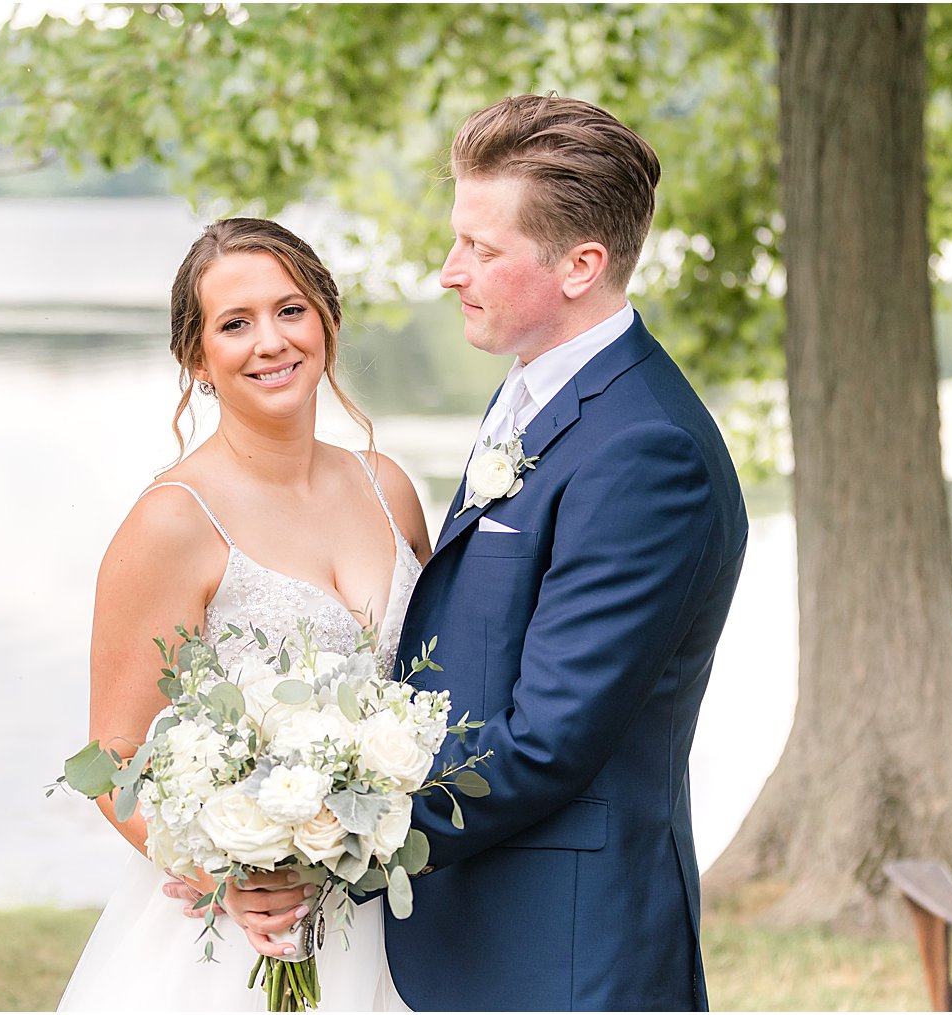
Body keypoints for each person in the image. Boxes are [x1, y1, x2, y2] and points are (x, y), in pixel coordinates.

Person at [190, 94, 748, 1010]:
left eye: (482, 249)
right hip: (477, 929)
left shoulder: (647, 450)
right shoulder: (535, 391)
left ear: (582, 265)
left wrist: (323, 842)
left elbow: (545, 742)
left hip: (566, 950)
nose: (450, 272)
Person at [57, 217, 430, 1011]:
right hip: (241, 942)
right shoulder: (173, 520)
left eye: (290, 310)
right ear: (197, 359)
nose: (271, 341)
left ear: (325, 321)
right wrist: (219, 875)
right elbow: (113, 755)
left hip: (396, 921)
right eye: (235, 323)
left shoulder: (387, 485)